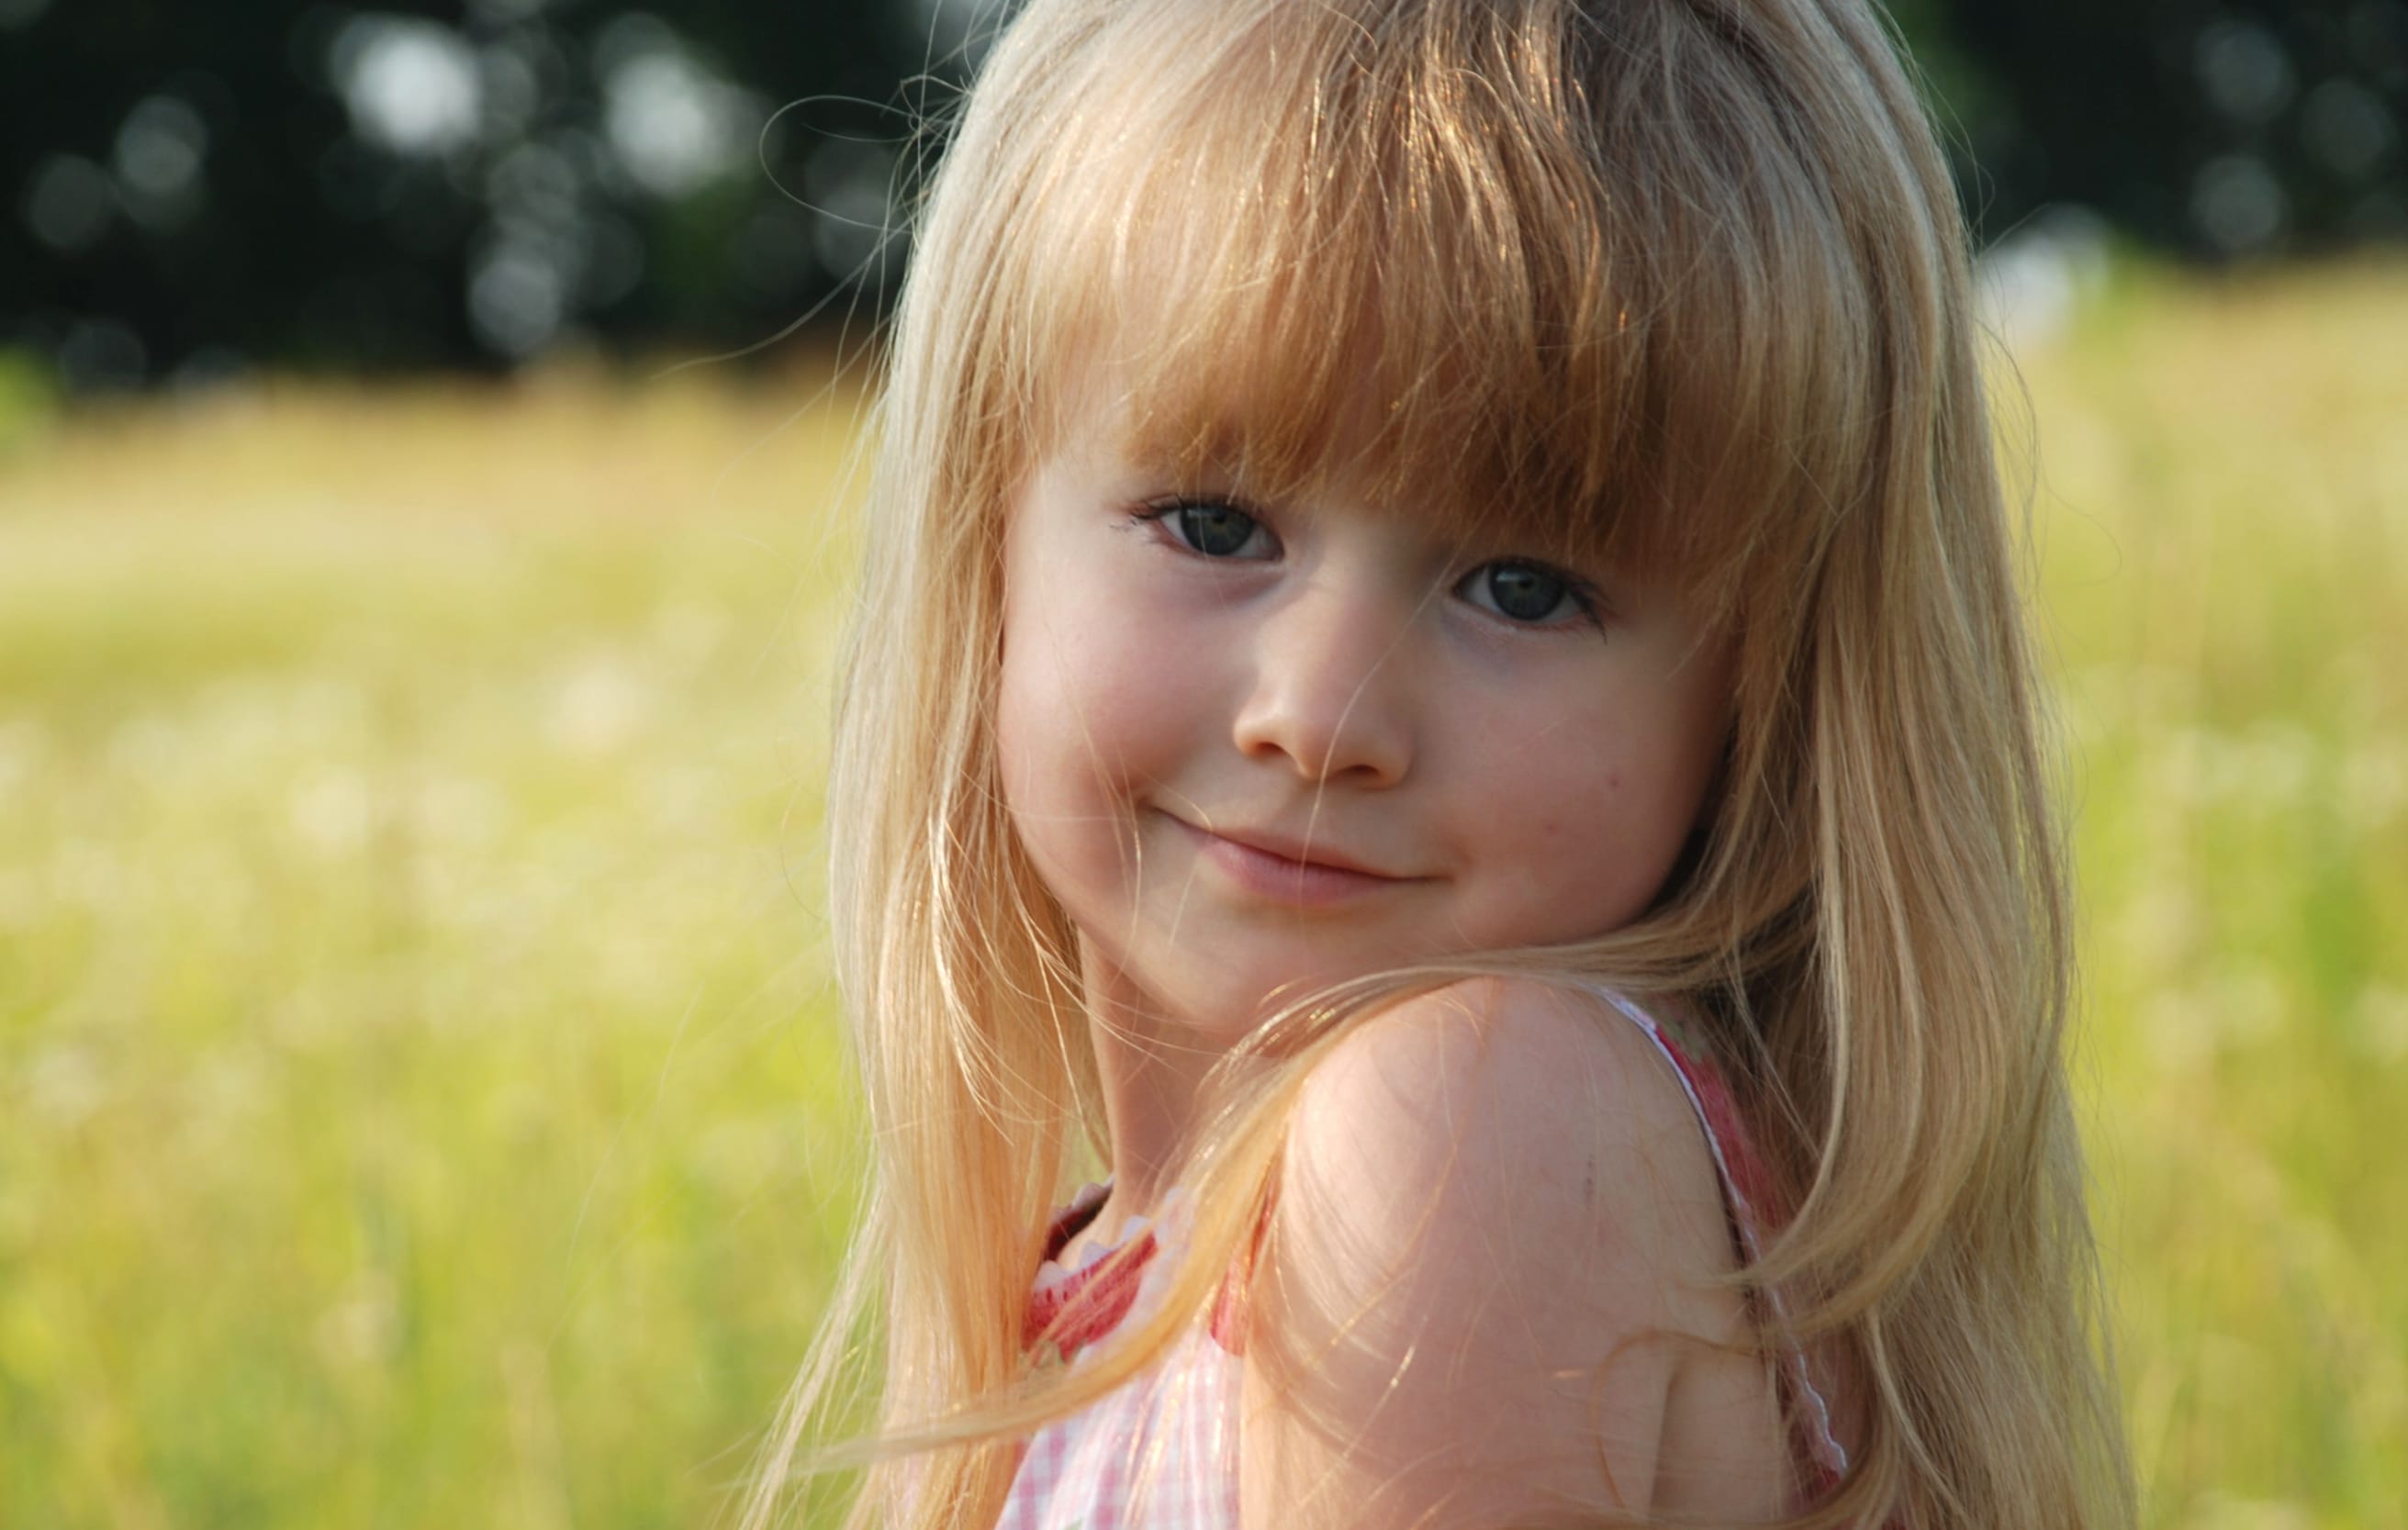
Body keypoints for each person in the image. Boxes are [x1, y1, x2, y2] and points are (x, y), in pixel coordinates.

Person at [738, 2, 2134, 1527]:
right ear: (983, 538)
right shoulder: (1129, 1268)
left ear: (1773, 692)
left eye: (1525, 588)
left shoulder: (1467, 1134)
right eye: (1217, 526)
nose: (1323, 717)